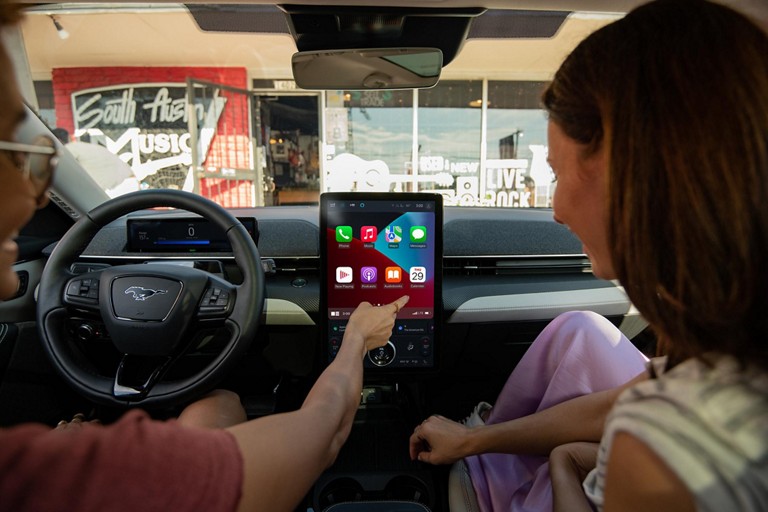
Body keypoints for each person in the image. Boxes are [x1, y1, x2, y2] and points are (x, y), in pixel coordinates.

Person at [0, 2, 410, 510]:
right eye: (25, 158)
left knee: (213, 400)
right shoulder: (74, 476)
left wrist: (68, 448)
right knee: (219, 403)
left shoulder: (38, 467)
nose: (36, 196)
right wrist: (354, 342)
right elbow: (320, 436)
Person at [410, 0, 768, 510]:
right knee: (580, 328)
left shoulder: (658, 442)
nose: (554, 210)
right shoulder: (714, 359)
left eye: (556, 175)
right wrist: (476, 441)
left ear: (633, 175)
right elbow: (640, 386)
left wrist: (565, 466)